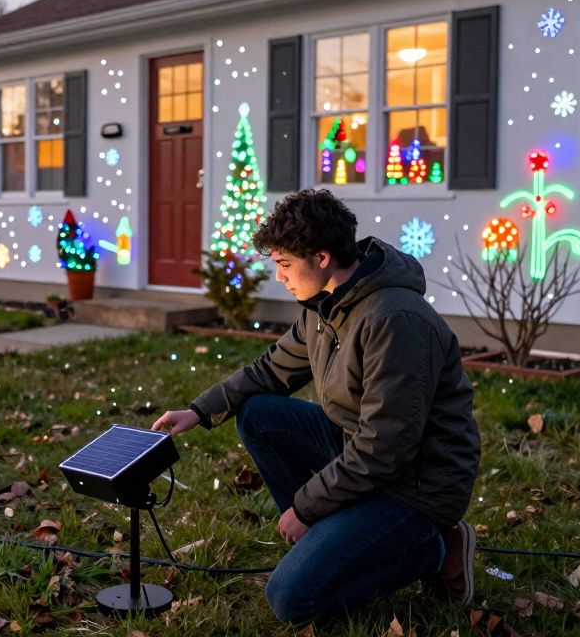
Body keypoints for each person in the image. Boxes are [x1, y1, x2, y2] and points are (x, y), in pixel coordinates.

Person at [153, 189, 481, 625]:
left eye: (285, 265)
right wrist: (199, 410)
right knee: (258, 414)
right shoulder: (325, 306)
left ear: (322, 257)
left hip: (418, 485)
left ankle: (433, 551)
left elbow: (386, 446)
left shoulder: (395, 319)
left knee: (291, 600)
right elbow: (271, 370)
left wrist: (306, 506)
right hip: (362, 454)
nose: (279, 277)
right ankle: (326, 538)